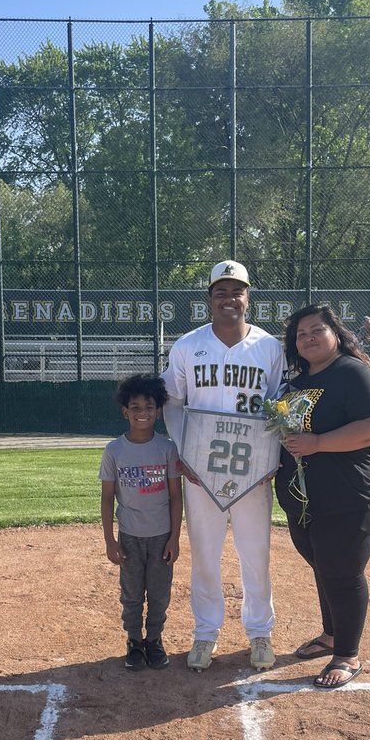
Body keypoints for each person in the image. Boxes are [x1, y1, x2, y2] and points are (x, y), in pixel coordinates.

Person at [162, 260, 286, 673]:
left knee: (256, 552)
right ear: (209, 299)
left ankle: (259, 632)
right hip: (202, 467)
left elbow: (278, 406)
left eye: (237, 292)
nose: (229, 299)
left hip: (252, 467)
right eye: (221, 292)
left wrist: (271, 455)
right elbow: (172, 400)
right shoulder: (187, 345)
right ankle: (205, 632)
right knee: (204, 552)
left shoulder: (269, 347)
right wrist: (183, 450)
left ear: (248, 298)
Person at [276, 305, 370, 689]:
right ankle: (330, 635)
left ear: (336, 334)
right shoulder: (295, 384)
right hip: (304, 497)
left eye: (316, 330)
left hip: (349, 492)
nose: (308, 338)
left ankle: (347, 654)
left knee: (342, 571)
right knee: (323, 565)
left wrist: (319, 443)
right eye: (300, 334)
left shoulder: (351, 372)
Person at [99, 374, 183, 671]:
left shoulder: (167, 448)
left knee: (159, 594)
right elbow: (107, 498)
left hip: (161, 536)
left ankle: (154, 640)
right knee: (132, 593)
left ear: (158, 411)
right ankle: (134, 640)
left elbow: (176, 496)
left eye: (149, 407)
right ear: (125, 411)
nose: (142, 413)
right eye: (135, 407)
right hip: (130, 536)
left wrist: (174, 538)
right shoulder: (114, 450)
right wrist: (110, 540)